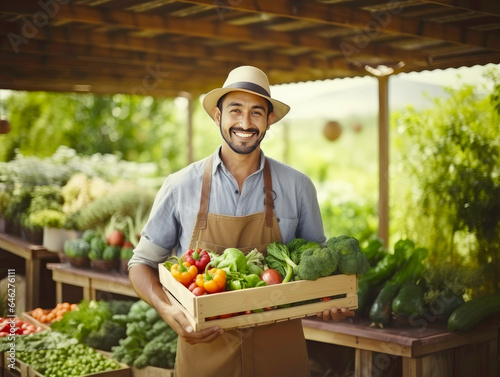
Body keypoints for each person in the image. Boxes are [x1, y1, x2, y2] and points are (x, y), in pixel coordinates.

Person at [128, 65, 355, 377]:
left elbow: (317, 264)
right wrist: (167, 310)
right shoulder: (180, 186)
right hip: (204, 352)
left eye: (256, 113)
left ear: (269, 120)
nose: (245, 123)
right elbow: (140, 264)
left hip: (280, 354)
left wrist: (330, 299)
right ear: (217, 116)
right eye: (235, 110)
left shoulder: (297, 187)